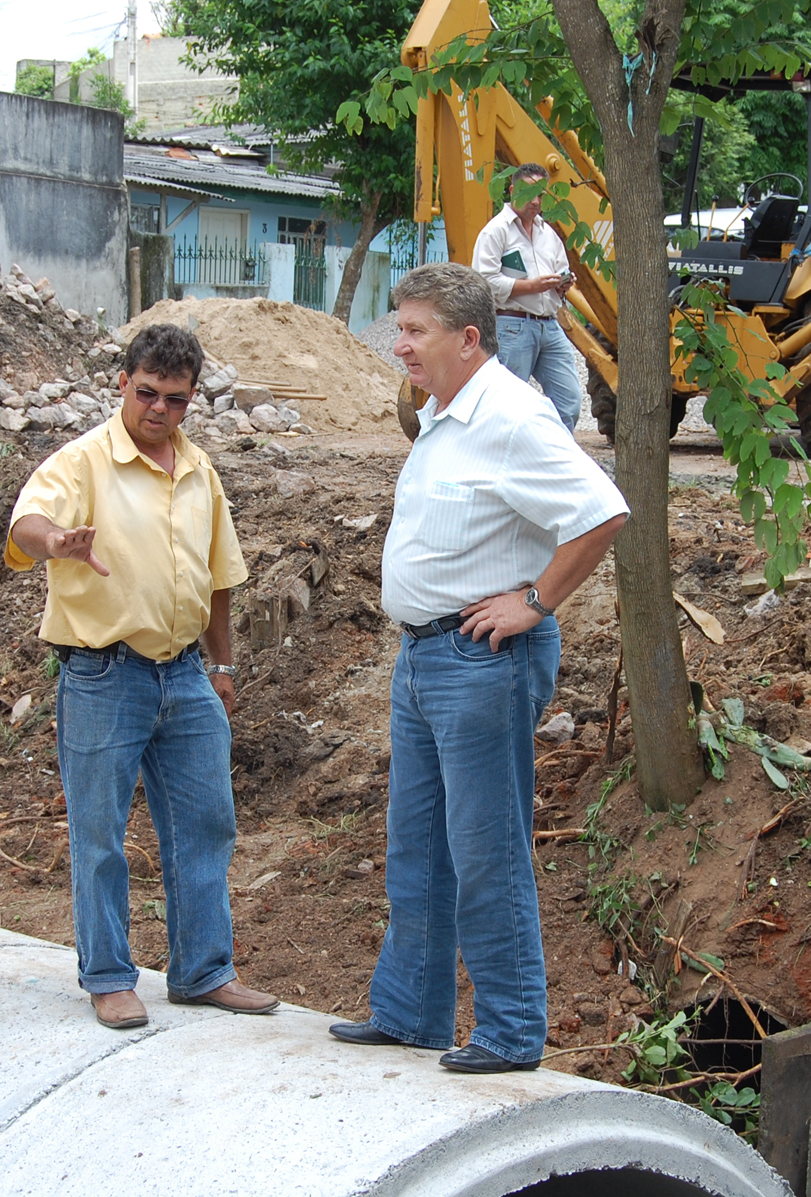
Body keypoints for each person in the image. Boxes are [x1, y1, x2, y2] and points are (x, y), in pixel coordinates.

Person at [330, 263, 629, 1073]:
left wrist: (534, 600)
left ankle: (507, 1028)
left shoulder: (512, 416)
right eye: (399, 327)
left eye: (415, 329)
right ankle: (408, 1012)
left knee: (485, 847)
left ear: (469, 338)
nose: (400, 345)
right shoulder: (443, 413)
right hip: (424, 656)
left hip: (481, 660)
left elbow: (601, 513)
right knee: (418, 843)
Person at [6, 322, 277, 1030]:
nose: (159, 409)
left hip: (185, 676)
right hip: (104, 675)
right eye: (147, 392)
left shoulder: (199, 471)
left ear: (191, 402)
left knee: (206, 823)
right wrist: (57, 542)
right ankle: (108, 975)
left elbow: (222, 579)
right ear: (123, 384)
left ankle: (203, 969)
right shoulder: (84, 462)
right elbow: (27, 521)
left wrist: (221, 667)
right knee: (99, 830)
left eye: (176, 399)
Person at [472, 162, 587, 431]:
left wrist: (562, 284)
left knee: (568, 404)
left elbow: (560, 272)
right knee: (507, 407)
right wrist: (532, 286)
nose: (535, 202)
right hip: (512, 325)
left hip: (550, 324)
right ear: (512, 190)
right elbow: (484, 282)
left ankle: (553, 466)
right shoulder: (496, 231)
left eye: (541, 195)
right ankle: (503, 466)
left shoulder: (549, 234)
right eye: (529, 193)